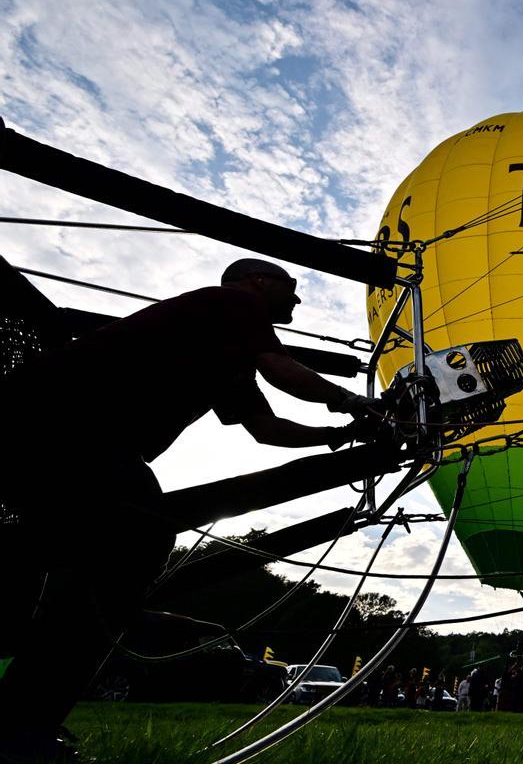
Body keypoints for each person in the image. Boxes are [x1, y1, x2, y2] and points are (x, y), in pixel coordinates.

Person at [0, 259, 380, 759]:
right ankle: (21, 723)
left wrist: (338, 438)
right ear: (257, 282)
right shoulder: (232, 303)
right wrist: (355, 402)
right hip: (61, 424)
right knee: (134, 539)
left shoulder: (223, 347)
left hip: (54, 434)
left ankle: (20, 717)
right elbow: (282, 369)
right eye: (292, 288)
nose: (297, 300)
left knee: (64, 555)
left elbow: (264, 428)